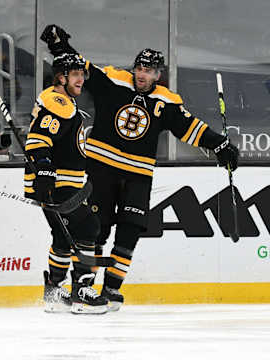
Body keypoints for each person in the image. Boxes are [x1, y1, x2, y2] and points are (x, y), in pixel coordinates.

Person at [41, 25, 239, 311]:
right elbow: (83, 68)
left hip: (138, 175)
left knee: (130, 231)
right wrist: (60, 47)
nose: (142, 74)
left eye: (149, 70)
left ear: (158, 75)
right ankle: (83, 287)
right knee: (96, 230)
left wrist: (220, 144)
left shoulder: (167, 101)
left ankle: (110, 289)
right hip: (101, 170)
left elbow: (189, 127)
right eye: (139, 68)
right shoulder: (114, 81)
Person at [24, 53, 107, 314]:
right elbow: (37, 141)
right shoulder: (58, 101)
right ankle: (81, 291)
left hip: (63, 183)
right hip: (58, 184)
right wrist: (46, 173)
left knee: (63, 235)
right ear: (61, 77)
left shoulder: (63, 102)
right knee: (89, 228)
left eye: (83, 74)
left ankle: (55, 291)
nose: (81, 78)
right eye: (76, 74)